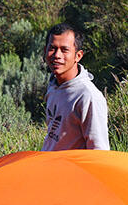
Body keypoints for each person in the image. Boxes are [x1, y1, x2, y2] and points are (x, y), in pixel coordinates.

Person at [41, 23, 109, 151]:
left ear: (78, 56)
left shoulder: (88, 96)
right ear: (45, 51)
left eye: (64, 50)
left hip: (70, 169)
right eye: (52, 48)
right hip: (48, 165)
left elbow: (99, 151)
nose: (57, 55)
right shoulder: (54, 85)